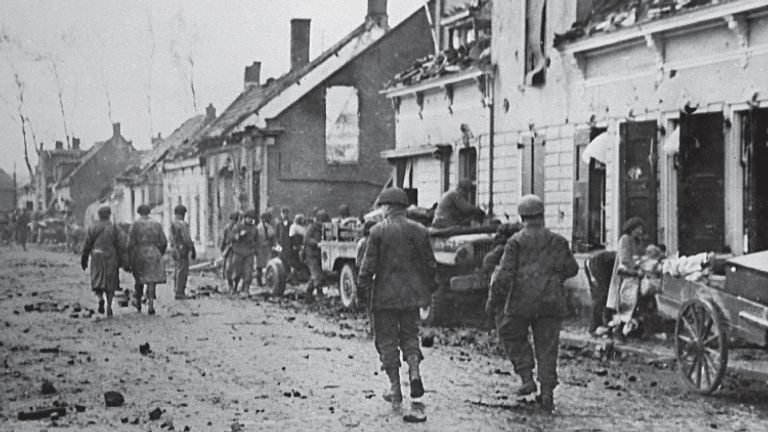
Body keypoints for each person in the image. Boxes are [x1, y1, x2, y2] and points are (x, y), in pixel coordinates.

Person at [486, 194, 579, 412]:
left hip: (521, 301)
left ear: (522, 216)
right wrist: (553, 279)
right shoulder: (557, 240)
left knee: (510, 332)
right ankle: (546, 393)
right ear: (541, 214)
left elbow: (504, 275)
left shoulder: (516, 241)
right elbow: (572, 268)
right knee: (547, 346)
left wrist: (493, 301)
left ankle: (526, 377)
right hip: (551, 301)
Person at [358, 188, 438, 404]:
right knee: (410, 335)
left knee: (386, 340)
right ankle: (414, 373)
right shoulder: (420, 230)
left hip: (384, 299)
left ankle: (395, 388)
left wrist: (362, 290)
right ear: (404, 207)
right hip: (410, 297)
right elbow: (430, 265)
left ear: (388, 207)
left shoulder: (377, 232)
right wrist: (429, 288)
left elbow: (367, 268)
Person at [605, 217, 647, 338]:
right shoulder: (625, 240)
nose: (641, 232)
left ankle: (633, 330)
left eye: (641, 229)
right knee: (626, 301)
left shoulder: (637, 241)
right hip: (625, 275)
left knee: (637, 302)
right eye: (639, 229)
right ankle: (619, 330)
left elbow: (640, 256)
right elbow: (624, 259)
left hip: (635, 275)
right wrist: (636, 267)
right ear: (632, 229)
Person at [81, 205, 124, 317]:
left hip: (97, 256)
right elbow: (121, 244)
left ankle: (100, 299)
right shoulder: (115, 228)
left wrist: (84, 258)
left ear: (99, 215)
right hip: (111, 256)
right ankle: (109, 306)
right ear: (109, 215)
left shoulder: (93, 227)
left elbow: (87, 244)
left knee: (97, 280)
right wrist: (122, 260)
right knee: (110, 282)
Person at [126, 204, 168, 315]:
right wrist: (160, 252)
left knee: (139, 279)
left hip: (139, 253)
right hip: (154, 252)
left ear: (139, 212)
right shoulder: (157, 224)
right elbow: (164, 241)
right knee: (151, 280)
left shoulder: (135, 225)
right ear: (149, 212)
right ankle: (150, 305)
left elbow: (130, 243)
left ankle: (138, 302)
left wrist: (129, 256)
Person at [584, 249, 617, 335]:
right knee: (601, 297)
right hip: (598, 264)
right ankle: (594, 327)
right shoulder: (619, 256)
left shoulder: (614, 255)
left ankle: (604, 324)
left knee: (600, 296)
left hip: (593, 262)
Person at [229, 210, 259, 297]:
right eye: (248, 218)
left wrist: (256, 250)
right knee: (237, 272)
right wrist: (238, 235)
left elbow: (256, 240)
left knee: (248, 272)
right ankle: (234, 287)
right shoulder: (238, 227)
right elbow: (230, 237)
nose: (250, 220)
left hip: (249, 253)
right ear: (245, 218)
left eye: (251, 218)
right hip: (238, 252)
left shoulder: (254, 229)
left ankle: (246, 289)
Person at [170, 205, 196, 300]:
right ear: (183, 214)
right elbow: (186, 239)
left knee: (177, 269)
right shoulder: (182, 224)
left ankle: (176, 288)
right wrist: (192, 249)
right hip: (182, 250)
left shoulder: (173, 223)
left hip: (174, 249)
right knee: (182, 270)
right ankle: (180, 292)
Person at [303, 209, 330, 302]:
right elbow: (306, 239)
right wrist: (317, 243)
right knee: (316, 275)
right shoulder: (312, 227)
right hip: (311, 255)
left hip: (320, 255)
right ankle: (308, 295)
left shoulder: (325, 228)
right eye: (322, 220)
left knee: (320, 276)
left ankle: (319, 293)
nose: (324, 223)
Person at [255, 212, 276, 286]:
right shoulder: (259, 227)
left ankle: (268, 280)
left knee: (268, 264)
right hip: (260, 248)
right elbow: (257, 238)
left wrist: (273, 245)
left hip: (267, 248)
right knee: (259, 266)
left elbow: (272, 236)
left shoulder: (269, 227)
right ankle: (259, 281)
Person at [220, 211, 240, 286]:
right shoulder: (227, 228)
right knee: (228, 268)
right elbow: (224, 239)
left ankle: (236, 285)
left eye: (235, 220)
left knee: (237, 270)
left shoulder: (239, 228)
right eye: (232, 220)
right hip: (229, 250)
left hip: (238, 250)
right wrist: (222, 248)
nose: (233, 222)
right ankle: (230, 285)